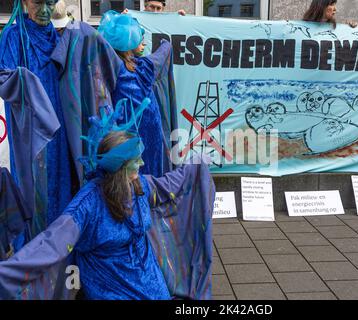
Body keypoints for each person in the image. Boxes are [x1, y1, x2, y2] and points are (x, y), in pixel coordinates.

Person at [0, 102, 215, 300]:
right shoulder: (87, 206)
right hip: (111, 287)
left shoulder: (139, 185)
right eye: (135, 161)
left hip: (149, 280)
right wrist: (6, 276)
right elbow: (49, 244)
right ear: (120, 168)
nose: (141, 163)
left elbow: (173, 183)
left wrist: (198, 166)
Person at [0, 0, 73, 235]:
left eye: (49, 3)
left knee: (60, 179)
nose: (44, 11)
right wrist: (25, 80)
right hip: (29, 128)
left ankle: (60, 244)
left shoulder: (58, 36)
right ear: (24, 2)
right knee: (33, 184)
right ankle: (36, 248)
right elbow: (3, 79)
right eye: (38, 3)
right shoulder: (12, 36)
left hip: (59, 126)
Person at [98, 11, 171, 177]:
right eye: (140, 38)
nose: (143, 43)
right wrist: (165, 41)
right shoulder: (145, 66)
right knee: (149, 171)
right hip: (149, 127)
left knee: (128, 173)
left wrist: (118, 23)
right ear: (130, 42)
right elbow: (166, 48)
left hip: (124, 130)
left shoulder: (110, 66)